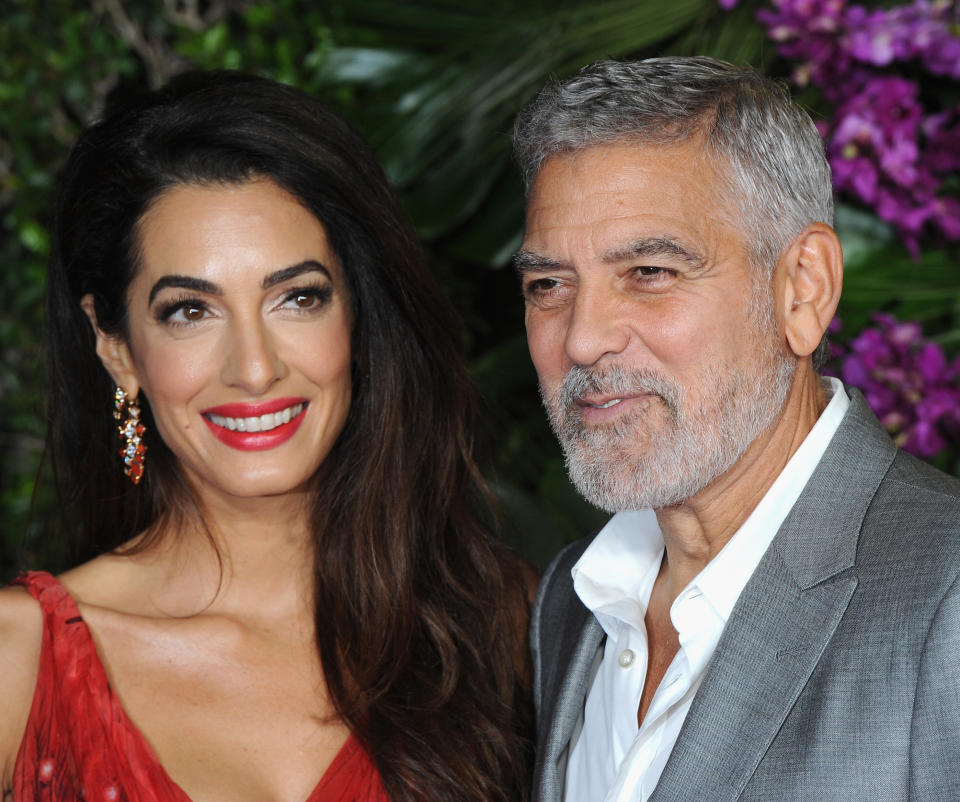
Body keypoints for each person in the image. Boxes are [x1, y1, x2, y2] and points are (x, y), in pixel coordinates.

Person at [0, 71, 533, 802]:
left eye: (298, 298)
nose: (255, 369)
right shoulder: (19, 663)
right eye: (190, 311)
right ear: (116, 346)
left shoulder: (498, 622)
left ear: (356, 318)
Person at [512, 56, 960, 802]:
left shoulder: (946, 601)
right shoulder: (573, 598)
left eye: (650, 272)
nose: (583, 339)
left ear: (802, 289)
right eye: (548, 285)